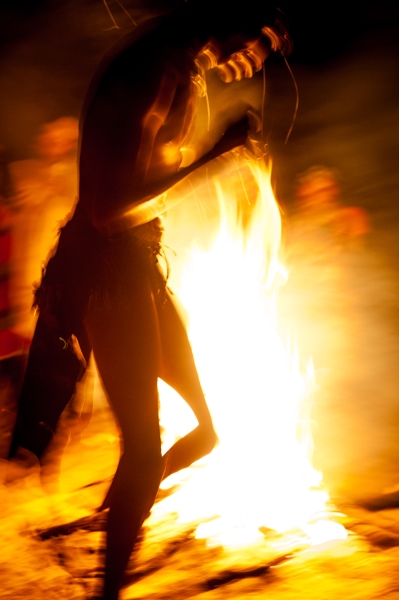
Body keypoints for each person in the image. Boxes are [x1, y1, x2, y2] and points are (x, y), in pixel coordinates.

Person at [10, 2, 290, 598]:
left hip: (137, 267)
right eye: (253, 41)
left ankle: (108, 522)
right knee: (144, 448)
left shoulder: (182, 64)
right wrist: (218, 154)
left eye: (266, 48)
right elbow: (110, 212)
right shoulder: (153, 72)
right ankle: (109, 585)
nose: (252, 58)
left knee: (207, 432)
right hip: (108, 272)